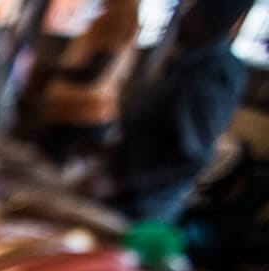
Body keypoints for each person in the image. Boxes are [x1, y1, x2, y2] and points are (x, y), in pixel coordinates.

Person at [106, 0, 254, 224]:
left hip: (142, 207)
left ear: (210, 20)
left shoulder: (213, 74)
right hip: (124, 194)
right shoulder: (188, 62)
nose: (181, 19)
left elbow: (191, 157)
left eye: (190, 12)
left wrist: (124, 184)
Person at [38, 0, 139, 166]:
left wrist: (52, 71)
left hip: (82, 114)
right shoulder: (112, 16)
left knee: (48, 175)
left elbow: (94, 71)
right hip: (74, 112)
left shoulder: (120, 18)